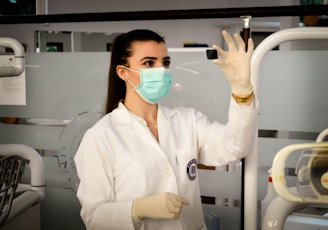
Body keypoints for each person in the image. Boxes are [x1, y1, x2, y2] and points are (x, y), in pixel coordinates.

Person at [74, 28, 258, 230]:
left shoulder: (187, 120)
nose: (161, 70)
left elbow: (235, 147)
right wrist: (137, 209)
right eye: (149, 63)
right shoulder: (100, 137)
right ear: (123, 72)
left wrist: (242, 90)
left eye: (166, 62)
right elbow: (94, 217)